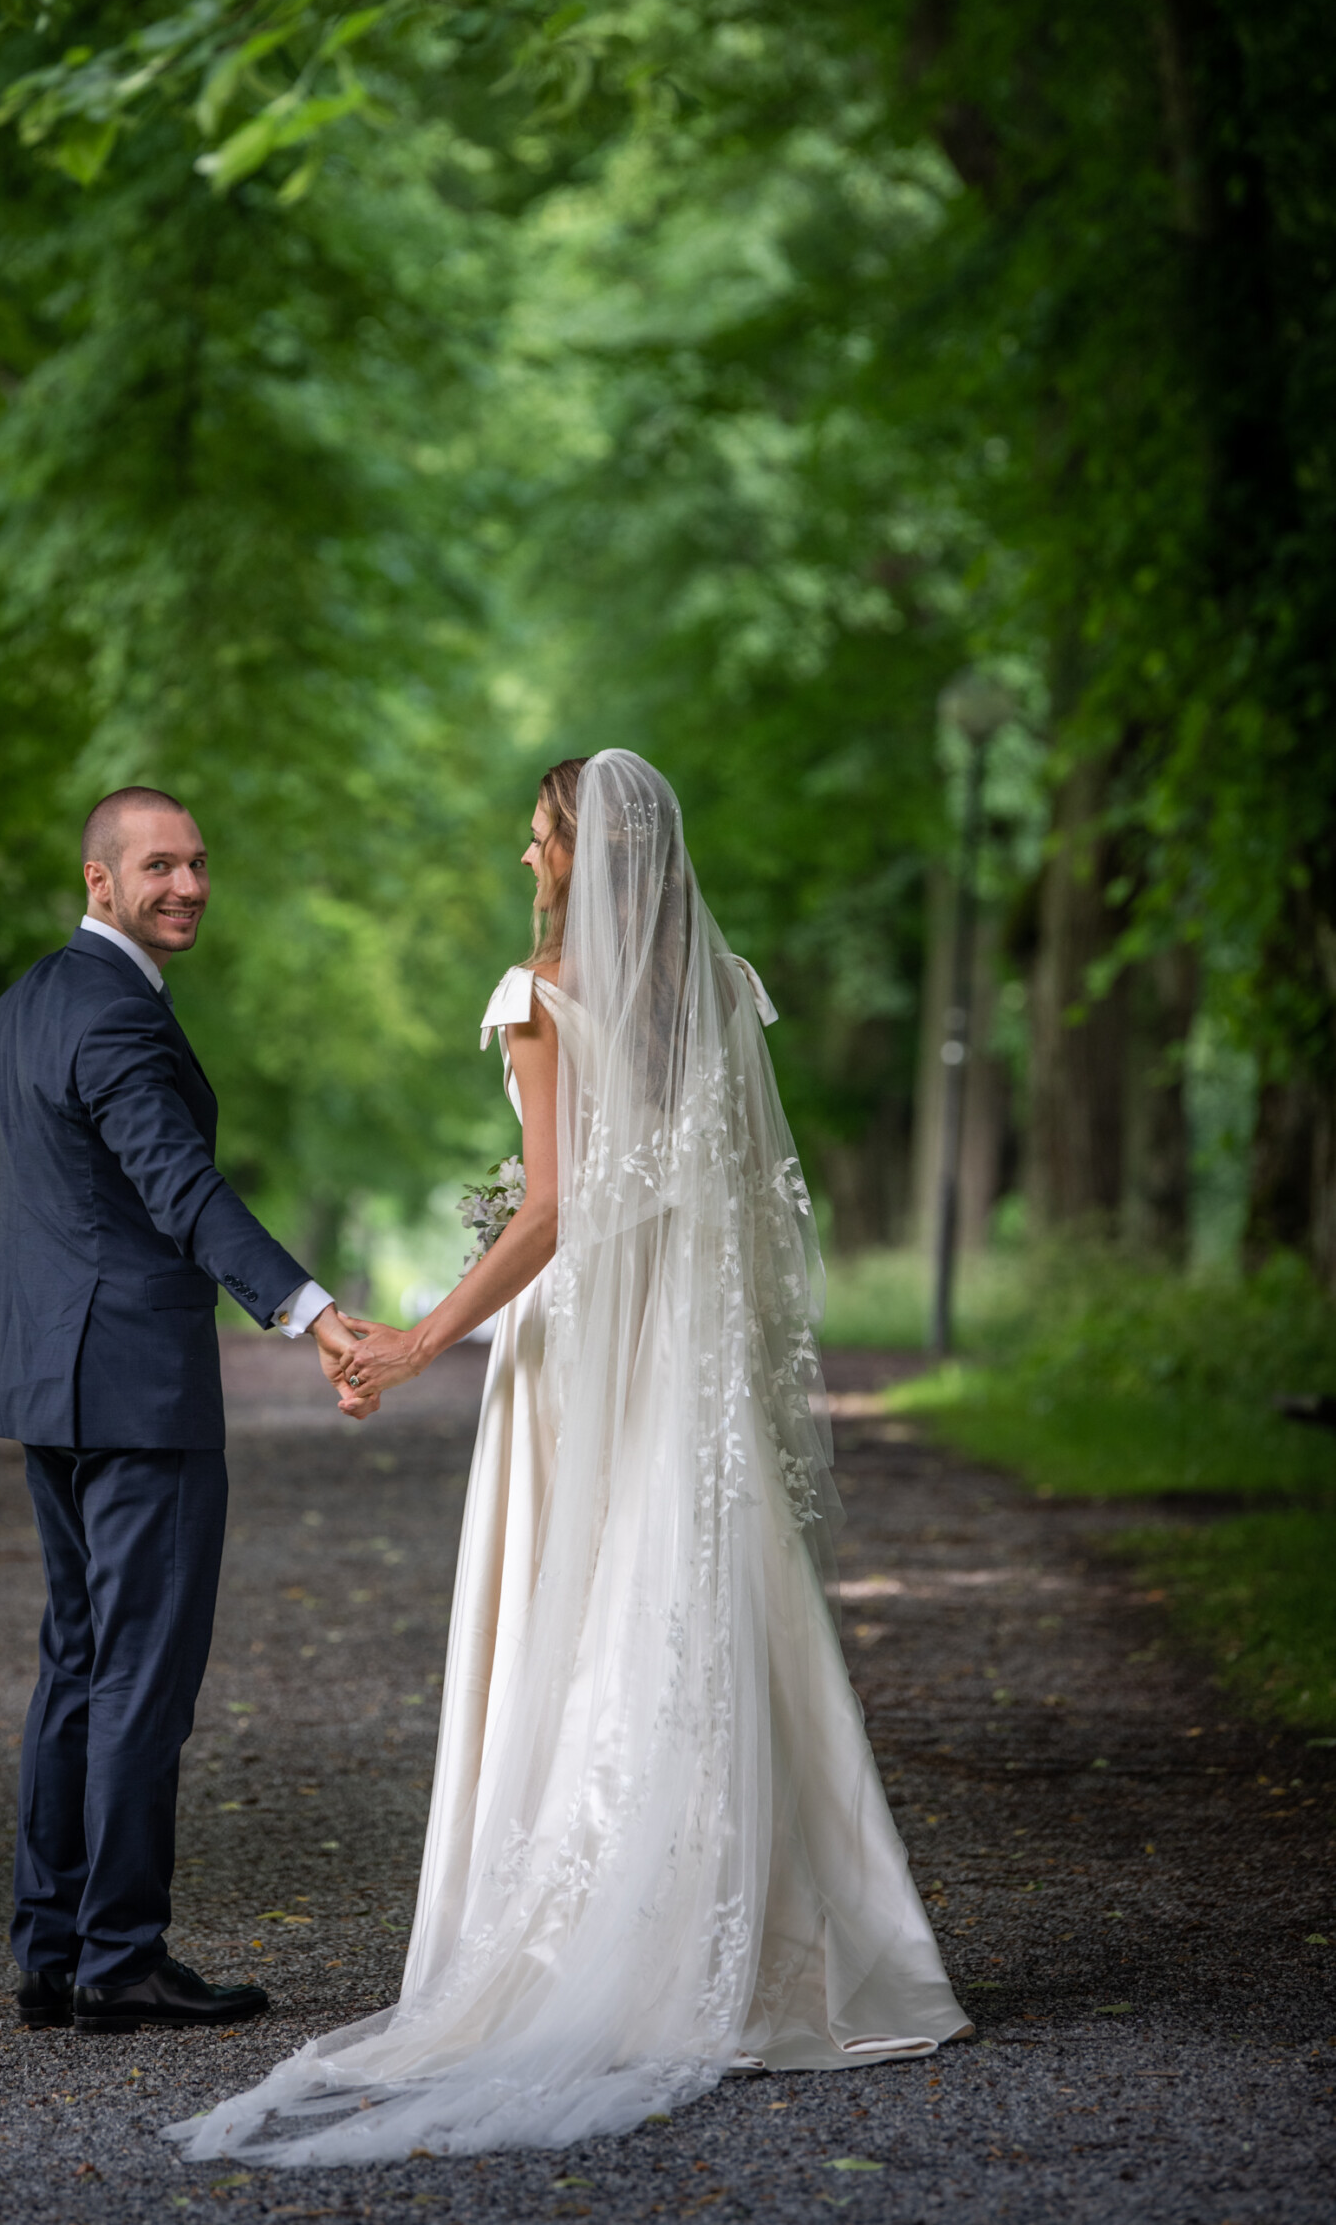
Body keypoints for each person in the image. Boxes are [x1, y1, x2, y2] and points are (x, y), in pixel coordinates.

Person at [168, 750, 969, 2164]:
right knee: (711, 1616)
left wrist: (415, 1340)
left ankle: (590, 1953)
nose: (527, 867)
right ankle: (785, 1950)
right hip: (685, 1361)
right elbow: (724, 1191)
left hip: (576, 1351)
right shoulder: (719, 992)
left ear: (582, 855)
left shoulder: (538, 997)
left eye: (537, 845)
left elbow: (547, 1212)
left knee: (579, 1613)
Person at [0, 786, 364, 2037]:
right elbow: (181, 1185)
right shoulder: (120, 1016)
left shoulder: (28, 1003)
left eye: (198, 864)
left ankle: (51, 1949)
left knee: (77, 1661)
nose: (187, 885)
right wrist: (305, 1309)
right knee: (140, 1674)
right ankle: (121, 1957)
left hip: (50, 1384)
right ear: (99, 882)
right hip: (137, 1392)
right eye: (158, 867)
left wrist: (55, 1313)